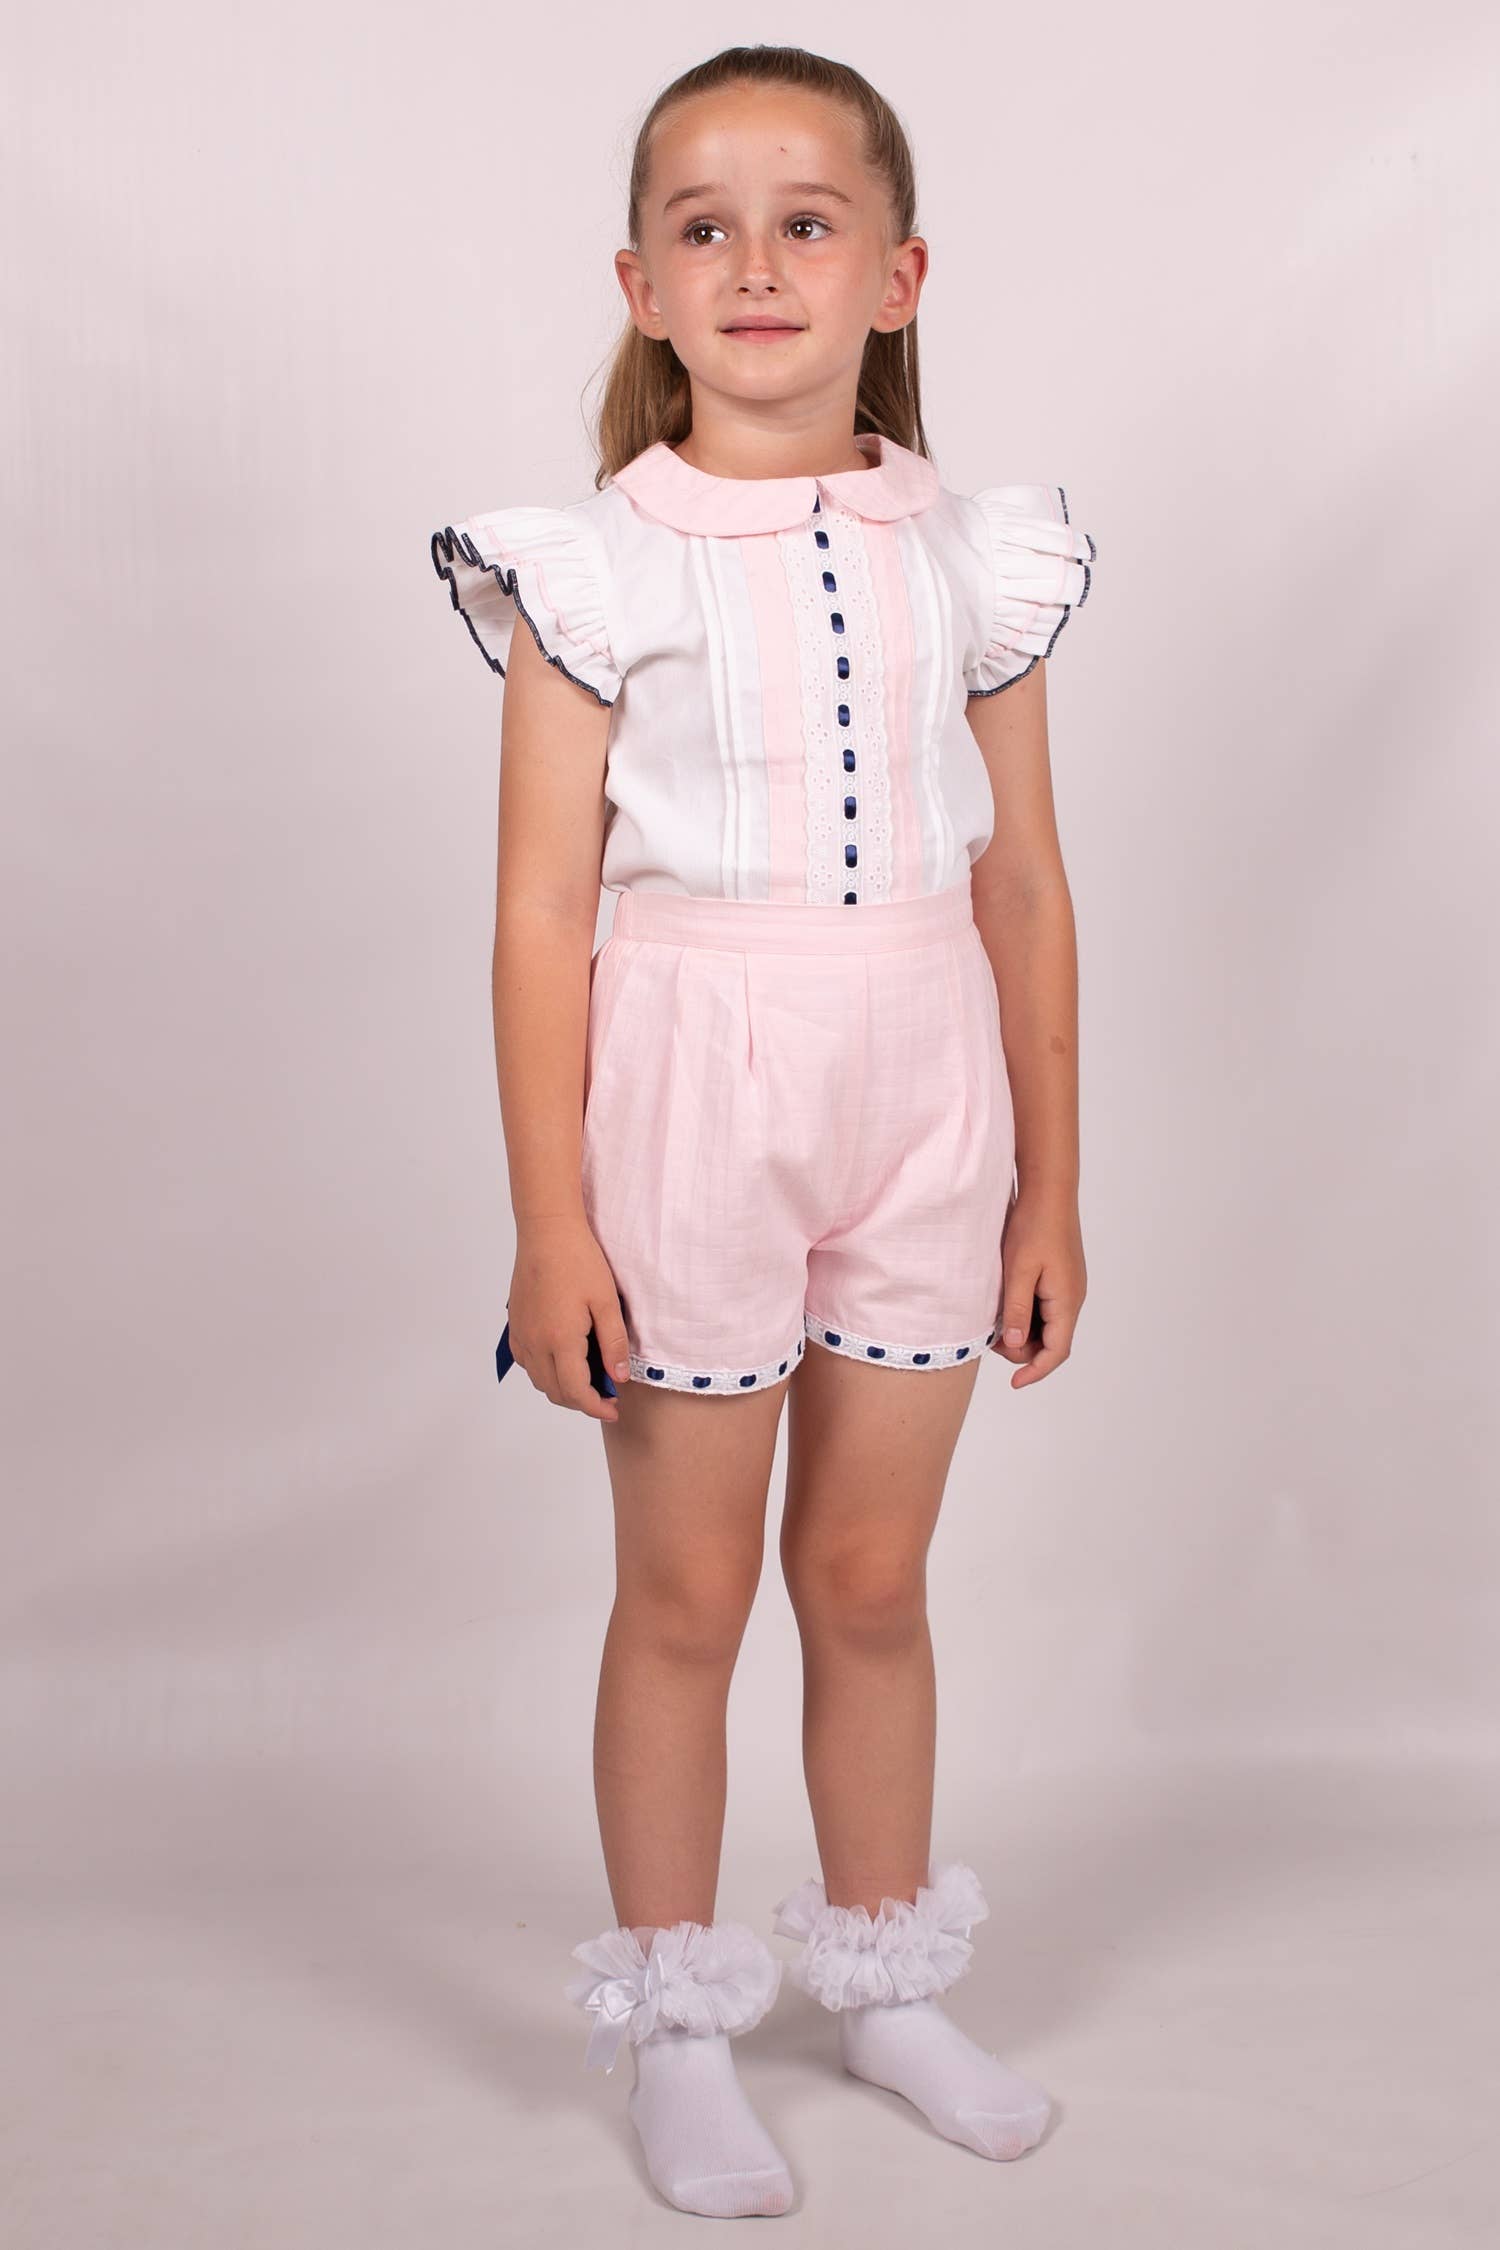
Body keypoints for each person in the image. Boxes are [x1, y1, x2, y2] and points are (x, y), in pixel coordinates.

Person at [429, 42, 1096, 2221]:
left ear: (899, 274)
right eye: (703, 228)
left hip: (928, 1088)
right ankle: (682, 2029)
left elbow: (1024, 880)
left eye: (808, 222)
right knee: (691, 1589)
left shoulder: (980, 553)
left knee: (873, 1576)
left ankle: (886, 1980)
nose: (757, 263)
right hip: (691, 1098)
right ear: (641, 286)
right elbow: (539, 912)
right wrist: (551, 1223)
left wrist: (1054, 1186)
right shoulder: (593, 569)